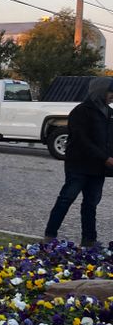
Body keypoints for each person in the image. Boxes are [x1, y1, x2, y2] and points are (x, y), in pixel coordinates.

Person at [43, 76, 113, 247]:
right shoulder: (81, 111)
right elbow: (82, 140)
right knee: (66, 199)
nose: (112, 96)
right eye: (110, 92)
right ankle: (50, 235)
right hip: (79, 165)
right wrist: (105, 157)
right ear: (100, 91)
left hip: (98, 168)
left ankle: (89, 239)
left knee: (91, 204)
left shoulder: (108, 112)